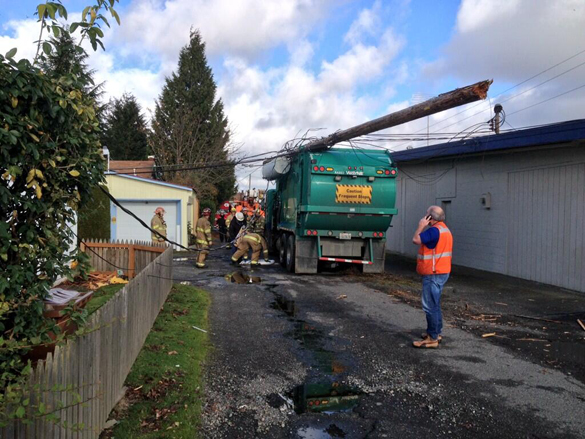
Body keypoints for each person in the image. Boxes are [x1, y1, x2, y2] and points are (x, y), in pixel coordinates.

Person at [411, 205, 453, 349]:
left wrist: (421, 226)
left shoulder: (434, 231)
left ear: (431, 218)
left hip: (433, 273)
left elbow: (416, 240)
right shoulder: (444, 230)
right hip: (442, 271)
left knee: (429, 306)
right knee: (435, 304)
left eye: (426, 215)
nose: (424, 217)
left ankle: (432, 338)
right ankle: (435, 332)